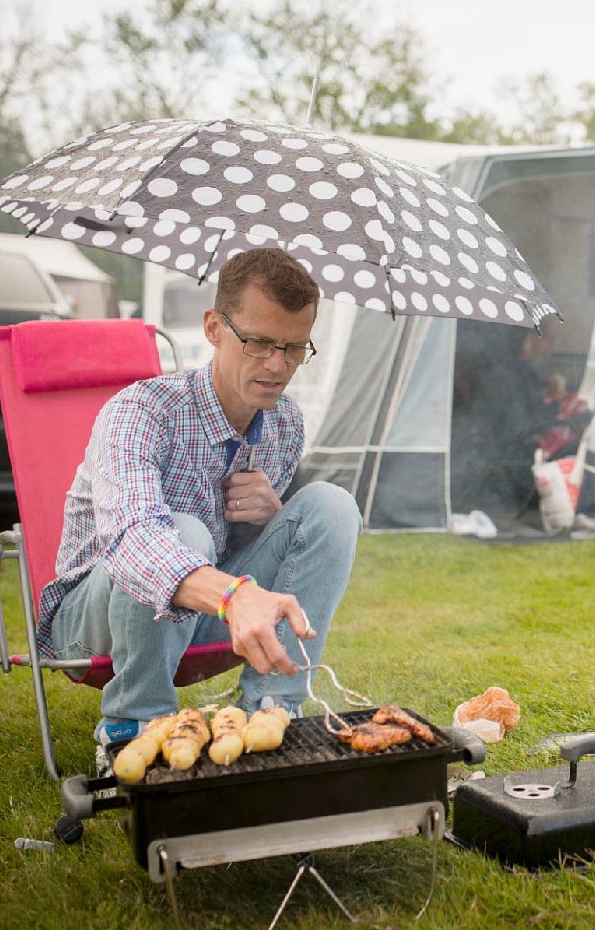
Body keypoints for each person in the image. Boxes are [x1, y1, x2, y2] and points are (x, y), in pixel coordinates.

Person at [39, 247, 361, 751]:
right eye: (258, 342)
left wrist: (271, 519)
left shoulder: (286, 423)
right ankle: (135, 726)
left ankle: (274, 710)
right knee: (181, 530)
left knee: (331, 506)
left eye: (295, 347)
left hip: (205, 620)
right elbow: (133, 540)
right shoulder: (140, 412)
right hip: (91, 625)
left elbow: (254, 552)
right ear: (213, 328)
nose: (277, 366)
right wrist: (235, 597)